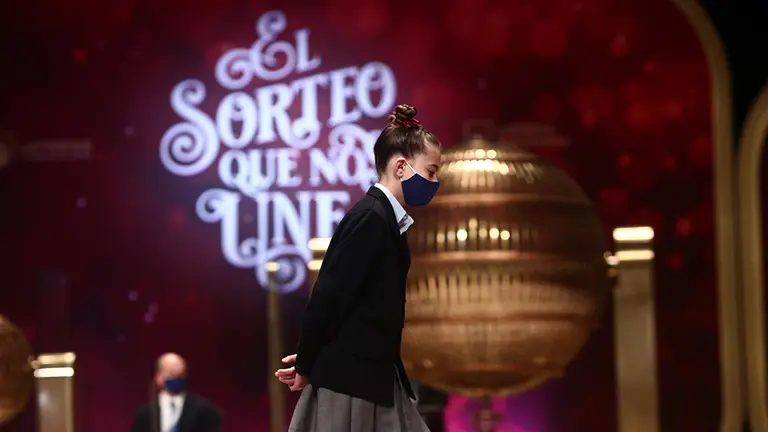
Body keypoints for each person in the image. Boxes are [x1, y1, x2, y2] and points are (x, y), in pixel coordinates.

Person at [275, 104, 441, 431]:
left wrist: (310, 357)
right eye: (432, 171)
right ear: (401, 167)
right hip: (353, 385)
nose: (436, 181)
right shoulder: (371, 219)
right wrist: (308, 360)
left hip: (373, 377)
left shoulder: (384, 220)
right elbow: (328, 297)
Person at [131, 353, 222, 432]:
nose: (177, 378)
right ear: (158, 378)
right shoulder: (145, 413)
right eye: (172, 374)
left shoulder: (205, 409)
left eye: (181, 374)